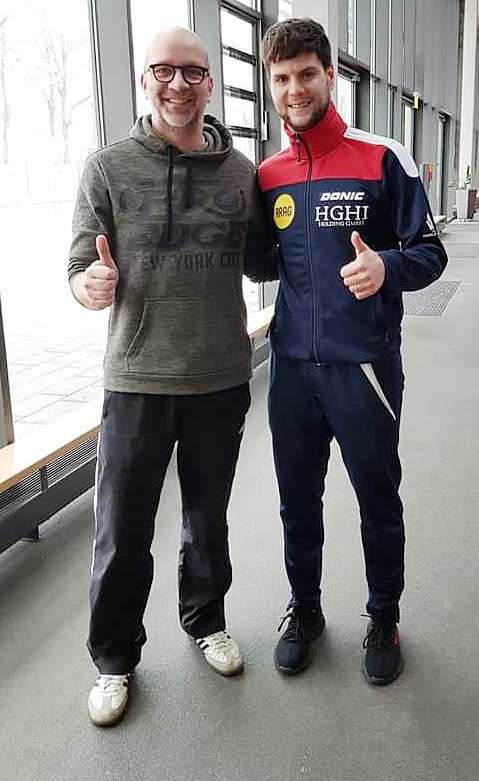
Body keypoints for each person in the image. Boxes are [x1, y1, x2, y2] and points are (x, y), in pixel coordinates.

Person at [68, 26, 275, 727]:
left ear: (210, 83)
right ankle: (113, 658)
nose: (178, 84)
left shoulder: (241, 172)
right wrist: (91, 285)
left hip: (219, 376)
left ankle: (206, 620)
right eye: (164, 70)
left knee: (207, 518)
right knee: (121, 529)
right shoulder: (107, 168)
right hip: (137, 378)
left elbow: (264, 260)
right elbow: (79, 267)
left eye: (192, 72)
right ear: (145, 80)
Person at [257, 18, 448, 684]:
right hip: (290, 370)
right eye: (281, 78)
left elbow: (429, 252)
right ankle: (304, 610)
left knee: (376, 498)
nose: (294, 89)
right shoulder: (268, 174)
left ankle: (383, 615)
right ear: (271, 84)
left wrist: (385, 268)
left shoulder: (382, 156)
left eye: (306, 74)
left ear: (330, 75)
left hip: (364, 368)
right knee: (296, 500)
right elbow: (262, 260)